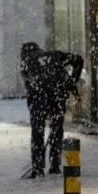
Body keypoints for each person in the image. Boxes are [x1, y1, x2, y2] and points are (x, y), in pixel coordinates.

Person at [20, 42, 84, 178]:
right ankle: (55, 164)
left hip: (40, 97)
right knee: (56, 130)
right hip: (57, 95)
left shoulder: (26, 62)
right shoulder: (54, 55)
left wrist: (37, 109)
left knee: (37, 132)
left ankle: (38, 168)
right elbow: (78, 60)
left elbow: (29, 88)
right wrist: (72, 81)